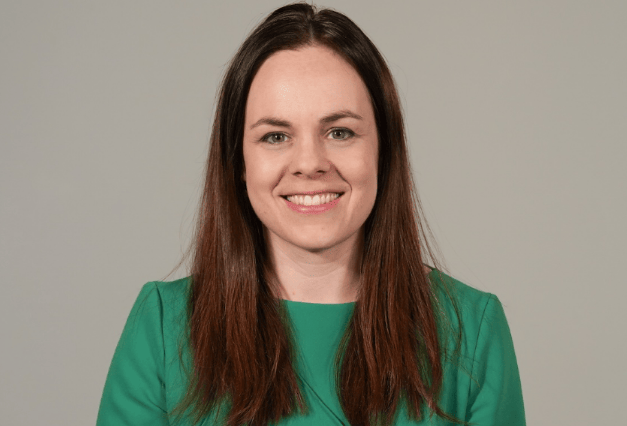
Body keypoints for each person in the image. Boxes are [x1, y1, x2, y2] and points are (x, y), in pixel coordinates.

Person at [97, 3, 525, 425]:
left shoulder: (471, 329)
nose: (309, 163)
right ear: (239, 161)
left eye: (340, 132)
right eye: (275, 136)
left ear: (384, 151)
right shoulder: (163, 327)